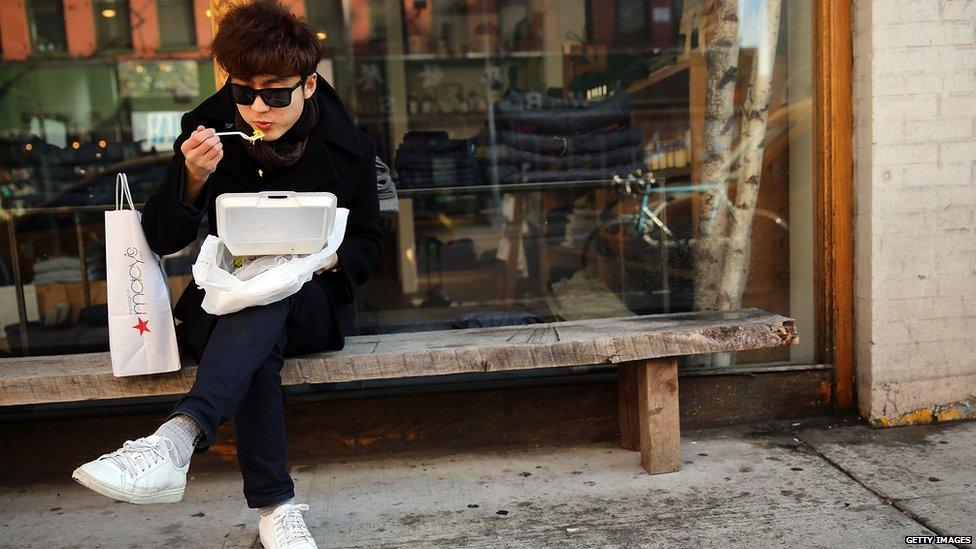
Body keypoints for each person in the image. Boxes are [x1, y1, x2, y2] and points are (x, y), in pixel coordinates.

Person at [71, 1, 382, 547]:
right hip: (217, 305)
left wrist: (323, 256)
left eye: (276, 93)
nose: (258, 107)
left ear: (309, 86)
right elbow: (164, 240)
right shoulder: (206, 132)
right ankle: (275, 509)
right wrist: (191, 176)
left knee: (271, 295)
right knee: (256, 317)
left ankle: (177, 438)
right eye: (243, 91)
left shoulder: (350, 148)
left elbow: (370, 246)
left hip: (306, 304)